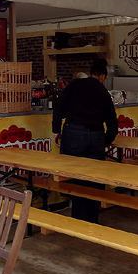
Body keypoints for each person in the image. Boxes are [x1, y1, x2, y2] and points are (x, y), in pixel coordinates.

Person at [52, 58, 118, 223]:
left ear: (91, 73)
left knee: (75, 176)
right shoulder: (103, 92)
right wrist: (105, 140)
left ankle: (77, 217)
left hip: (73, 133)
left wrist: (56, 130)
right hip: (95, 135)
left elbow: (58, 107)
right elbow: (112, 122)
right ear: (103, 76)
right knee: (94, 178)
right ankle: (92, 218)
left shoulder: (75, 85)